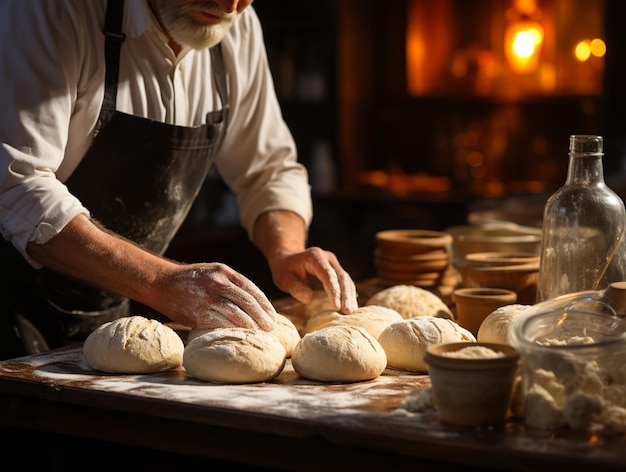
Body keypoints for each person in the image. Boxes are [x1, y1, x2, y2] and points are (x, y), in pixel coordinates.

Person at [0, 0, 358, 360]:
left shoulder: (237, 25)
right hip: (13, 308)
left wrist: (285, 248)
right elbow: (17, 186)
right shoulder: (52, 10)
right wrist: (159, 281)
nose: (231, 5)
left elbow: (267, 169)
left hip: (116, 314)